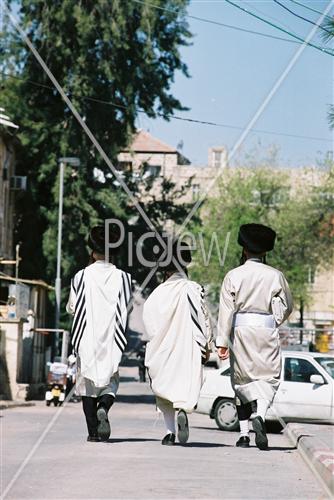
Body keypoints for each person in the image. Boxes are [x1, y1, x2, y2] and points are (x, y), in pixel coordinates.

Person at [216, 223, 293, 450]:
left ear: (244, 249)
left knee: (242, 382)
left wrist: (221, 342)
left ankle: (243, 435)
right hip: (267, 330)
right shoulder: (276, 276)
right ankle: (260, 414)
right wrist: (274, 320)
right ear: (265, 251)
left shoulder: (233, 275)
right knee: (269, 378)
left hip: (241, 332)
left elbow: (225, 311)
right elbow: (287, 305)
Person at [143, 241, 212, 446]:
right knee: (185, 385)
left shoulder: (157, 294)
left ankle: (169, 432)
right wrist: (207, 344)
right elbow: (203, 318)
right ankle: (183, 409)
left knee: (163, 390)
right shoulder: (193, 288)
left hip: (162, 348)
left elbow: (150, 324)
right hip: (188, 347)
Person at [66, 225, 132, 442]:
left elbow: (72, 307)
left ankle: (93, 433)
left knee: (87, 387)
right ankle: (104, 406)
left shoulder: (80, 276)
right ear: (112, 252)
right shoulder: (124, 277)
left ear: (92, 251)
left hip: (87, 338)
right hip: (112, 339)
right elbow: (126, 307)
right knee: (110, 382)